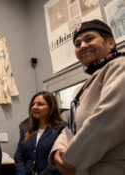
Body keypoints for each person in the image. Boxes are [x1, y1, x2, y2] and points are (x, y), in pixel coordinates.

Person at [49, 19, 125, 175]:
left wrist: (69, 160)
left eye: (89, 39)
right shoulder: (80, 89)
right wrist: (58, 150)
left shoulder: (119, 66)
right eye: (77, 44)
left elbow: (106, 120)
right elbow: (71, 128)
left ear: (110, 42)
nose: (82, 46)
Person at [14, 91, 66, 175]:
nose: (34, 107)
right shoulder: (25, 131)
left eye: (40, 104)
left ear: (50, 108)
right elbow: (18, 158)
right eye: (33, 104)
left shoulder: (61, 128)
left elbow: (59, 159)